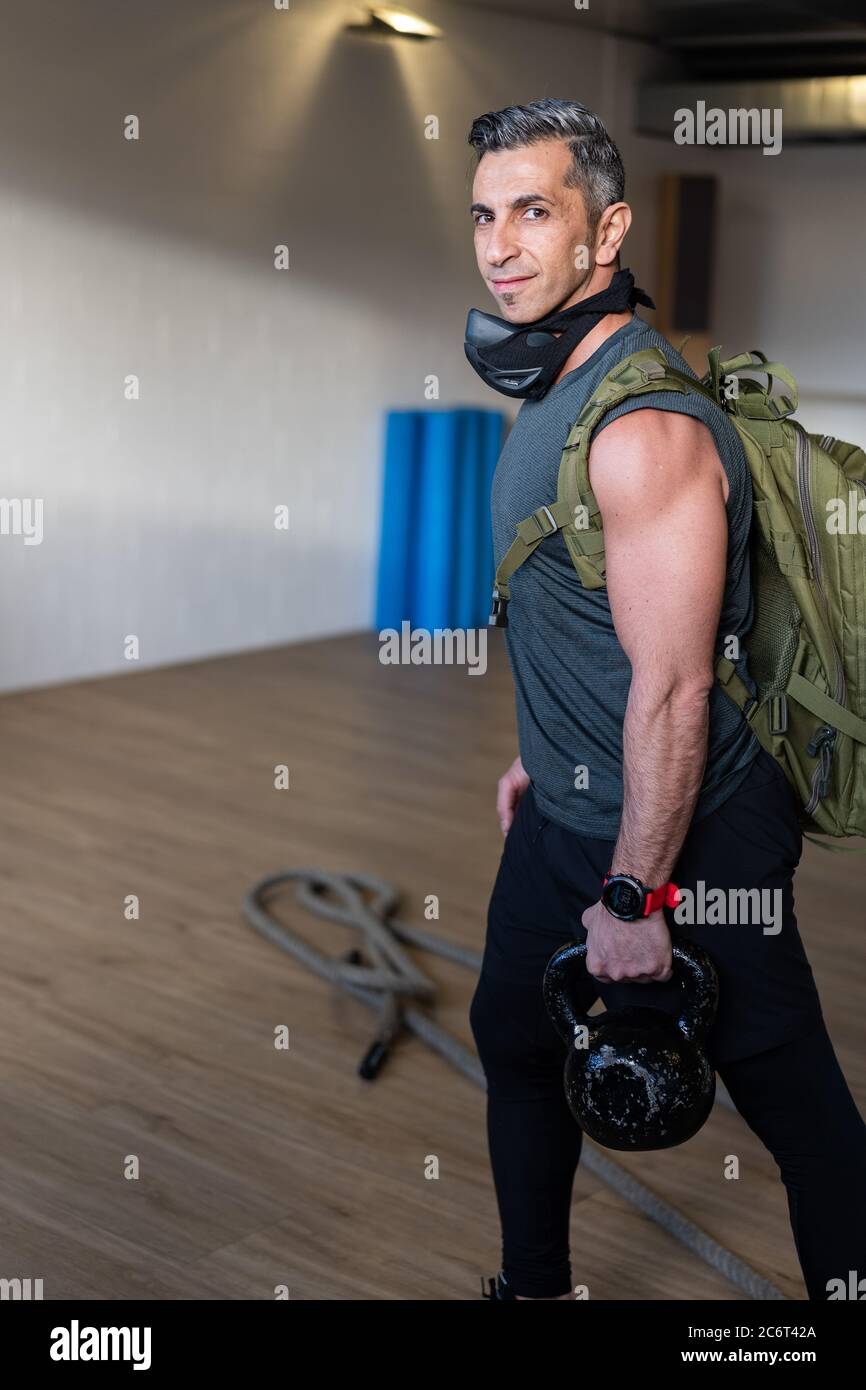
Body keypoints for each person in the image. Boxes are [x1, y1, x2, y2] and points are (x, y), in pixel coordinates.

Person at [466, 98, 866, 1301]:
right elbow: (578, 611)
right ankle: (533, 1290)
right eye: (484, 215)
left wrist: (638, 894)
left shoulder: (640, 425)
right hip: (572, 809)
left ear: (606, 230)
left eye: (532, 211)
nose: (499, 244)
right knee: (514, 1040)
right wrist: (545, 748)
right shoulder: (549, 380)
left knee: (791, 1100)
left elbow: (678, 683)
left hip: (690, 833)